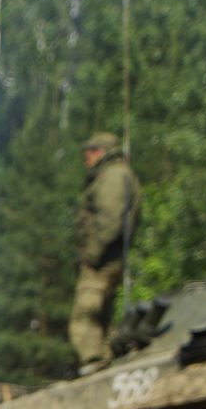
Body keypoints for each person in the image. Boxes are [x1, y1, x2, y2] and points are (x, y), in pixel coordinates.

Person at [69, 131, 141, 375]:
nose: (86, 158)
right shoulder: (119, 174)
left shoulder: (112, 176)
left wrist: (92, 254)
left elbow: (110, 220)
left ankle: (94, 361)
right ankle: (105, 360)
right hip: (111, 257)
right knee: (103, 313)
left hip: (102, 259)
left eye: (89, 152)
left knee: (85, 315)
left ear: (100, 151)